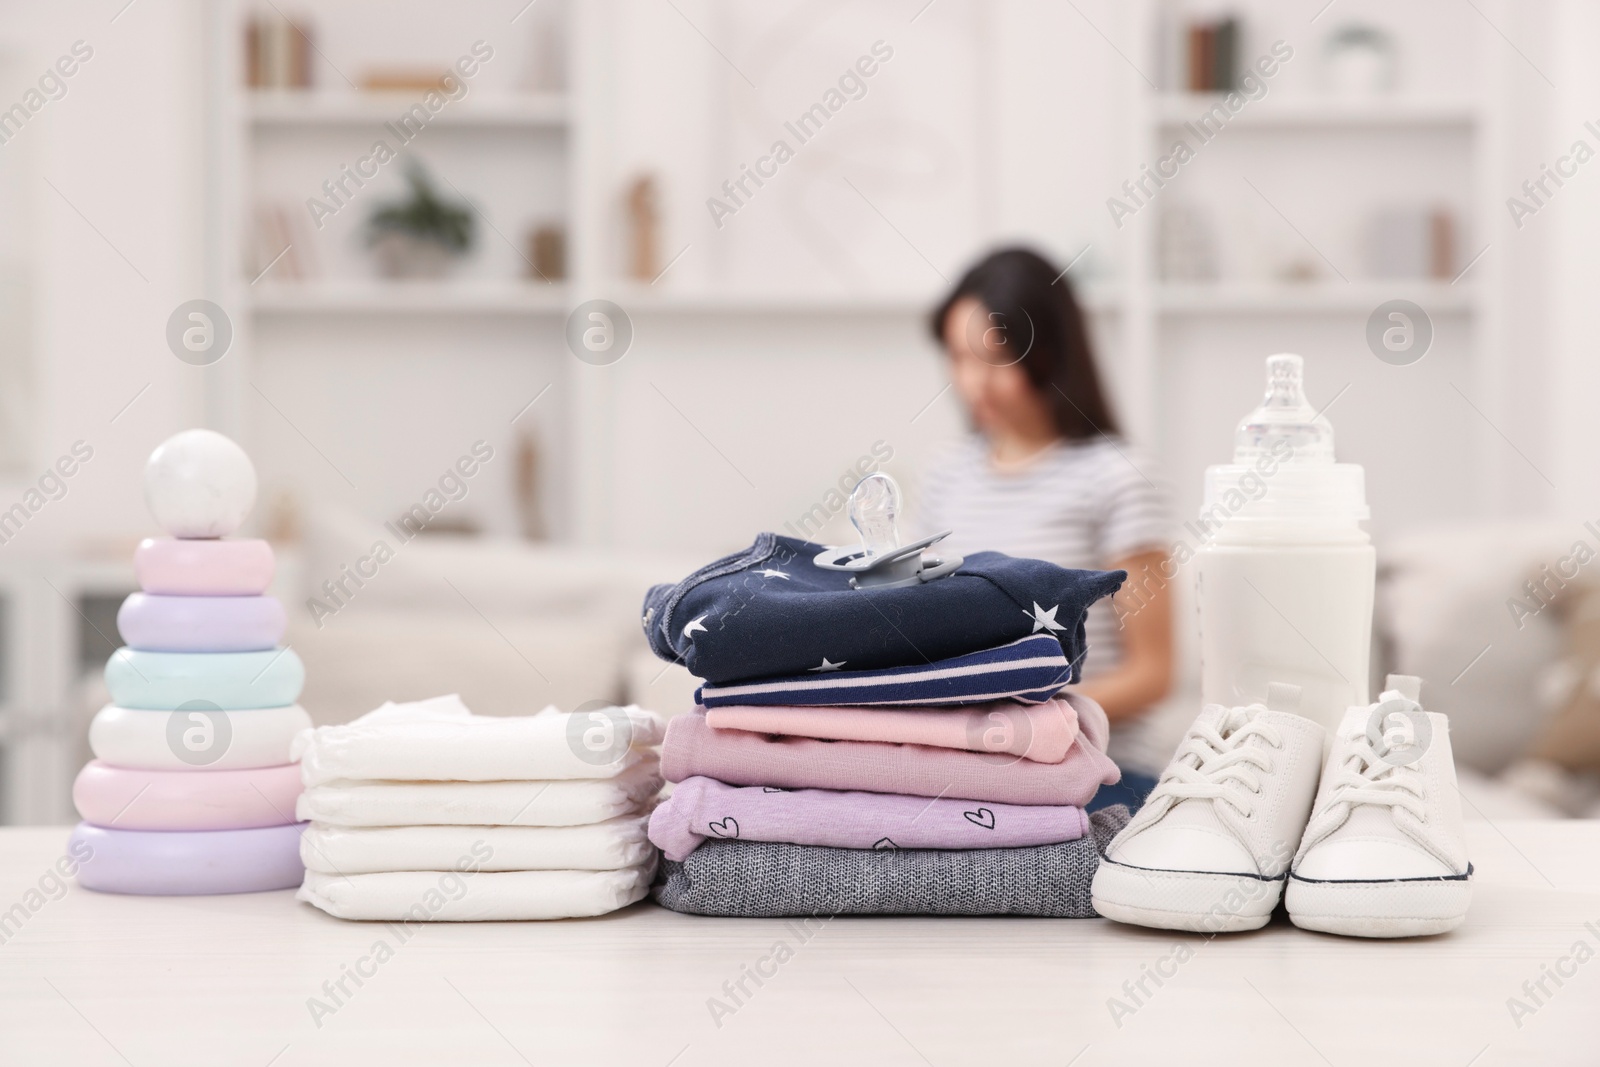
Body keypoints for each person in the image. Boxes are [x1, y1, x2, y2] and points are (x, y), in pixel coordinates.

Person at [917, 247, 1173, 810]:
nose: (973, 383)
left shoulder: (1115, 478)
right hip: (973, 756)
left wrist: (1026, 718)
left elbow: (1153, 671)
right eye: (958, 358)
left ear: (1050, 353)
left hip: (1100, 766)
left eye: (994, 360)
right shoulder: (945, 477)